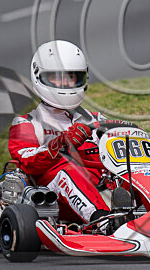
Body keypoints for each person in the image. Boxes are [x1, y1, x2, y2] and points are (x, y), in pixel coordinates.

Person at [8, 40, 112, 224]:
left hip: (102, 186)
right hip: (55, 198)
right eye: (57, 77)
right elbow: (28, 161)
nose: (65, 83)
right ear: (39, 76)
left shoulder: (96, 120)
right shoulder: (26, 124)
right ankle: (102, 222)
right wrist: (62, 142)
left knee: (133, 168)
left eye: (71, 77)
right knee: (68, 172)